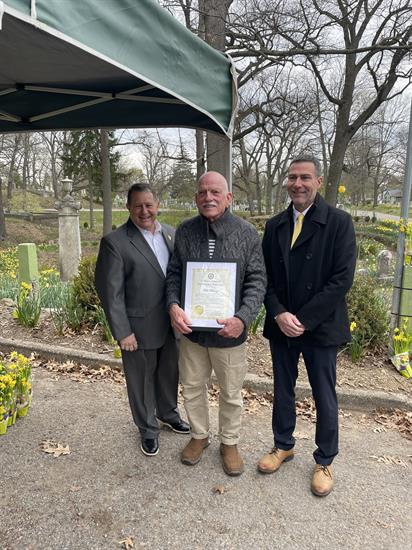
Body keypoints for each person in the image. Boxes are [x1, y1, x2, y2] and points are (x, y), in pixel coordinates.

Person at [257, 156, 356, 496]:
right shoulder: (275, 226)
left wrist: (305, 319)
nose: (297, 184)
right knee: (283, 388)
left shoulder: (340, 223)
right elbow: (264, 277)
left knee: (324, 394)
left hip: (321, 327)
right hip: (282, 324)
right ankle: (283, 444)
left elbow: (341, 280)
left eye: (305, 178)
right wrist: (279, 313)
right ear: (286, 182)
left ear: (318, 181)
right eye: (292, 177)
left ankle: (325, 459)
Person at [166, 171, 266, 476]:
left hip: (229, 334)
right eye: (202, 192)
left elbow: (257, 281)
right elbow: (174, 274)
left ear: (228, 198)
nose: (208, 197)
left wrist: (242, 318)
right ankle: (199, 436)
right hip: (193, 333)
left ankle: (230, 442)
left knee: (231, 392)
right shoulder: (184, 231)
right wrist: (172, 305)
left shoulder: (247, 233)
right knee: (193, 386)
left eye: (215, 192)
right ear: (196, 197)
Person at [95, 183, 189, 457]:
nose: (144, 211)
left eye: (149, 205)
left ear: (157, 205)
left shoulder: (171, 235)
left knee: (169, 373)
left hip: (172, 324)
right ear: (128, 207)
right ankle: (147, 428)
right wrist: (123, 332)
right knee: (141, 380)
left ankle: (168, 413)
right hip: (137, 328)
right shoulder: (116, 242)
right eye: (138, 205)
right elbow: (110, 292)